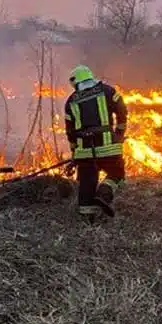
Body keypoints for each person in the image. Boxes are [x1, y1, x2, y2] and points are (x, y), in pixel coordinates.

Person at [62, 65, 127, 219]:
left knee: (87, 183)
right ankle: (104, 194)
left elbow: (70, 132)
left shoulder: (71, 101)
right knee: (116, 174)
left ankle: (87, 219)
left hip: (84, 152)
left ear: (76, 83)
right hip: (108, 147)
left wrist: (74, 152)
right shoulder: (108, 91)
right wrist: (119, 133)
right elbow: (122, 111)